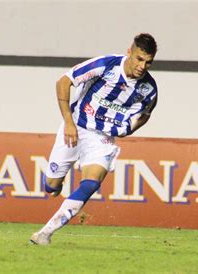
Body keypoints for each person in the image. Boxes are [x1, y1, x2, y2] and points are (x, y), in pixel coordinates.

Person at [30, 33, 158, 245]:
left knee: (91, 183)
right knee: (51, 186)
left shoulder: (148, 88)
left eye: (148, 62)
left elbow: (144, 114)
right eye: (139, 59)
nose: (142, 66)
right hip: (76, 127)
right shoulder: (106, 65)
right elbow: (63, 82)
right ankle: (57, 185)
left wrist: (129, 129)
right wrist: (69, 122)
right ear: (130, 52)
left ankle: (45, 233)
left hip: (102, 138)